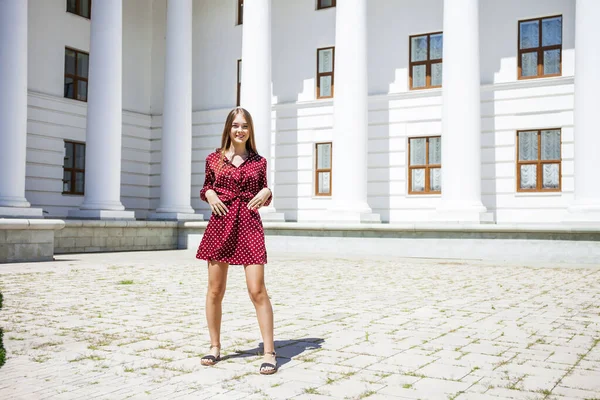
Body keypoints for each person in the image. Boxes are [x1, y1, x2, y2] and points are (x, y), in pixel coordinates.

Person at [196, 107, 277, 375]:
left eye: (244, 125)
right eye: (235, 125)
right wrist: (209, 194)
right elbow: (206, 186)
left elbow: (263, 190)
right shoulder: (214, 159)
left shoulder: (259, 161)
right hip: (221, 223)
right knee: (215, 290)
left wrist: (267, 191)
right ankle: (215, 346)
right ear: (228, 129)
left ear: (250, 130)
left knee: (257, 290)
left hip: (250, 225)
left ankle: (269, 351)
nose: (239, 130)